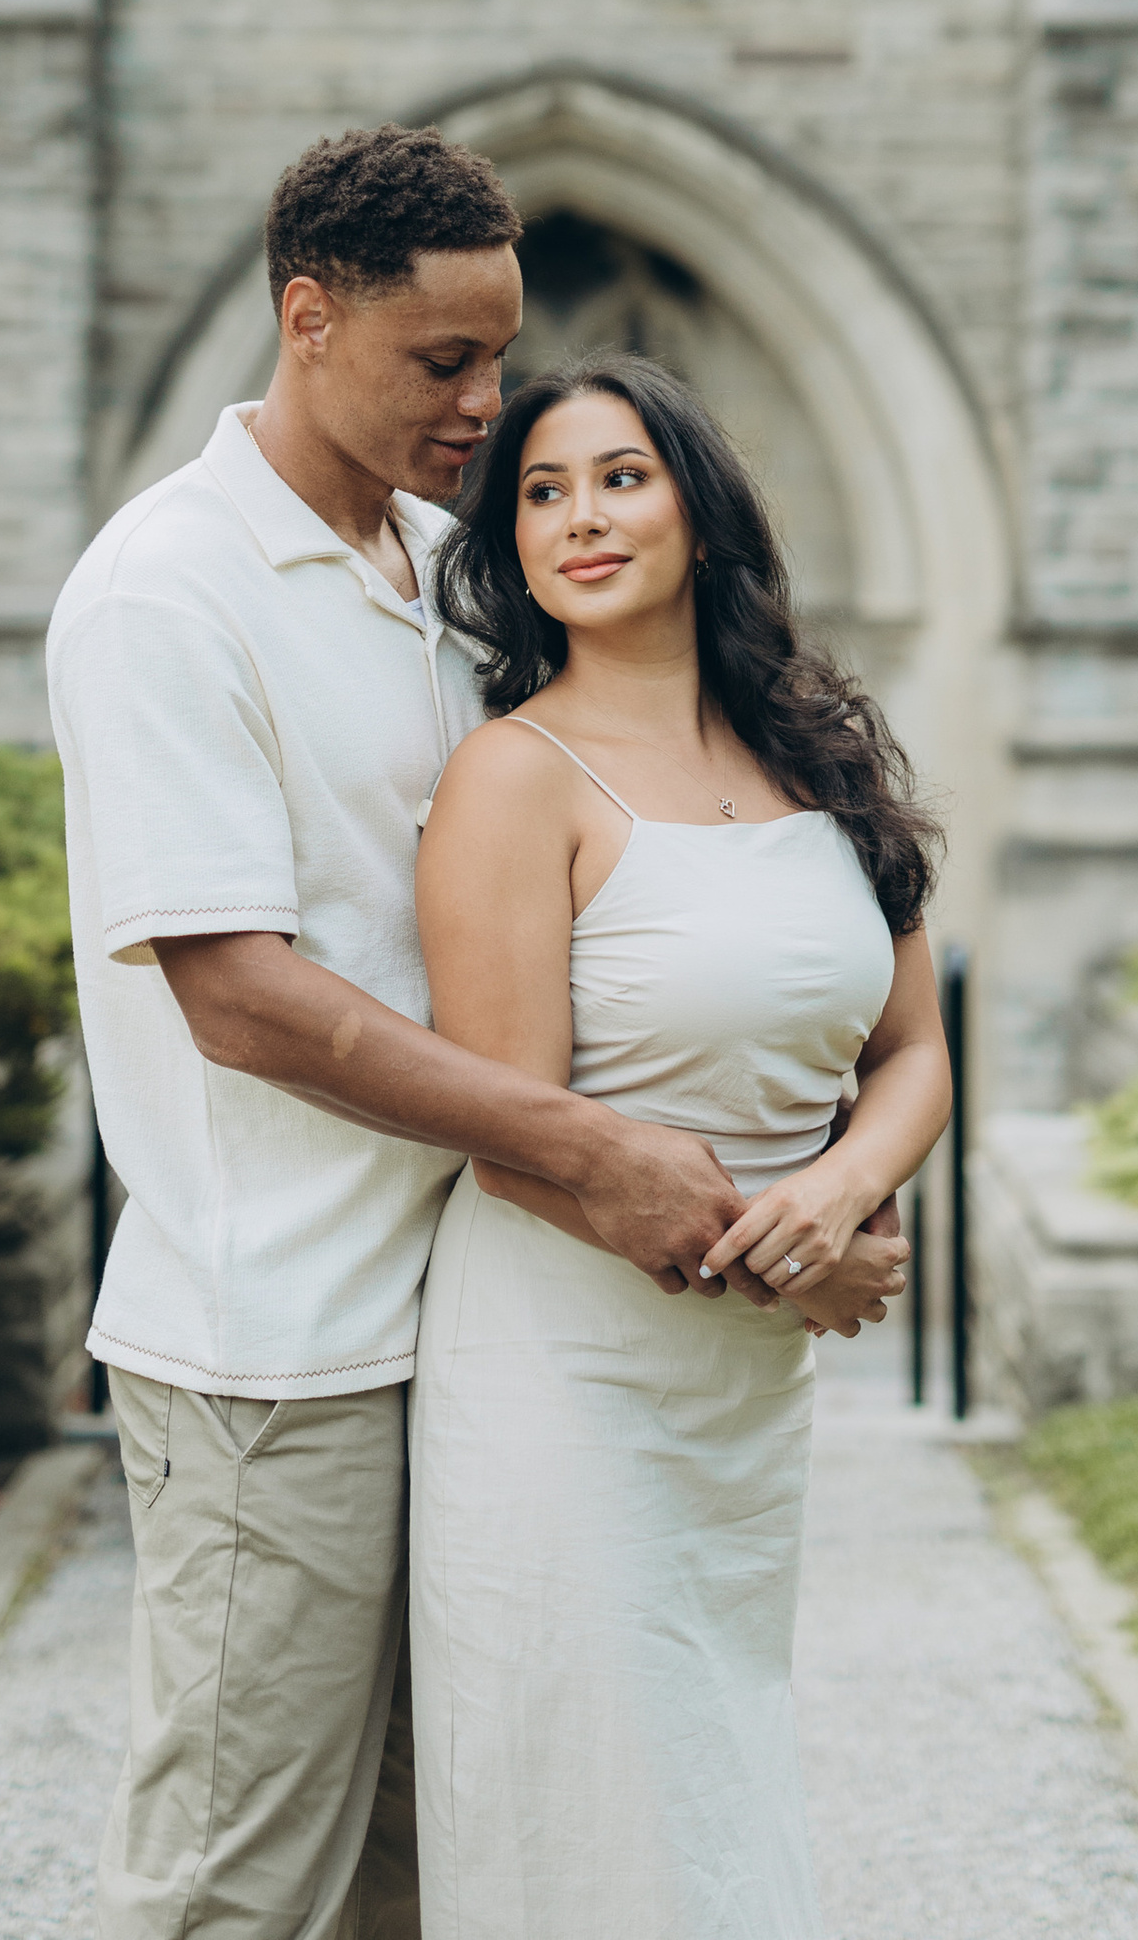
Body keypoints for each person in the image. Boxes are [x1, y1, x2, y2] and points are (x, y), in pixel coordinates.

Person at [48, 127, 784, 1940]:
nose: (486, 404)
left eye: (497, 357)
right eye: (439, 361)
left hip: (470, 1333)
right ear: (308, 319)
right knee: (232, 1885)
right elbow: (244, 999)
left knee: (419, 1873)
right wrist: (589, 1149)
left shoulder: (459, 574)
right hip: (271, 1347)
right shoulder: (167, 591)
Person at [410, 354, 953, 1940]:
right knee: (587, 1808)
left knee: (712, 1784)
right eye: (542, 490)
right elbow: (517, 1137)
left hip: (742, 1391)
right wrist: (793, 1267)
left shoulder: (823, 756)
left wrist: (847, 1190)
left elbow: (912, 1051)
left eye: (621, 476)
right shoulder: (512, 778)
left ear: (701, 514)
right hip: (563, 1368)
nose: (581, 516)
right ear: (511, 546)